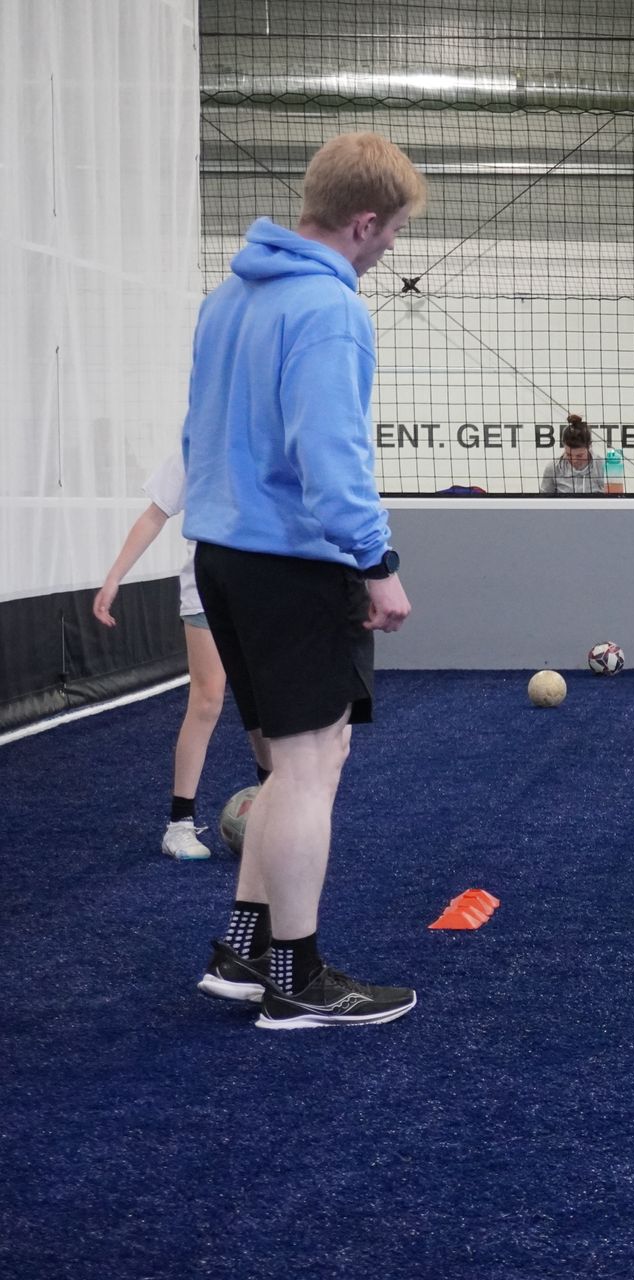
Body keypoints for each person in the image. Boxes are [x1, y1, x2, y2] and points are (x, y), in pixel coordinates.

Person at [182, 132, 426, 1030]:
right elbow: (330, 452)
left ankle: (245, 954)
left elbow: (193, 436)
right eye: (394, 229)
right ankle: (300, 978)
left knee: (298, 763)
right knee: (309, 766)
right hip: (294, 562)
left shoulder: (226, 299)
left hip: (224, 557)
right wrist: (376, 562)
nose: (394, 245)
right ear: (364, 222)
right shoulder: (329, 310)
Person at [93, 448, 273, 860]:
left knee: (260, 702)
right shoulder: (196, 446)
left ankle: (273, 798)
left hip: (264, 595)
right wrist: (114, 578)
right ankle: (179, 824)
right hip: (207, 592)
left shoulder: (271, 442)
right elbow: (155, 513)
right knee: (207, 699)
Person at [541, 414, 606, 494]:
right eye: (569, 454)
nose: (574, 460)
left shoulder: (603, 467)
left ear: (589, 446)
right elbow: (543, 503)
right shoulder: (553, 468)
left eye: (579, 455)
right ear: (563, 445)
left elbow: (614, 502)